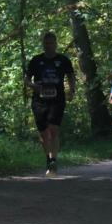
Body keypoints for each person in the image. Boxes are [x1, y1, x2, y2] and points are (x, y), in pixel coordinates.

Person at [24, 32, 76, 176]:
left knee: (53, 129)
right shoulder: (36, 60)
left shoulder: (63, 60)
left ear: (56, 44)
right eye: (46, 44)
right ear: (43, 44)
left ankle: (54, 160)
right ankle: (48, 158)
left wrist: (72, 89)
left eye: (51, 43)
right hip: (39, 101)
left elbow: (71, 75)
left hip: (57, 99)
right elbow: (26, 79)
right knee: (43, 132)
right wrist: (34, 86)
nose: (49, 46)